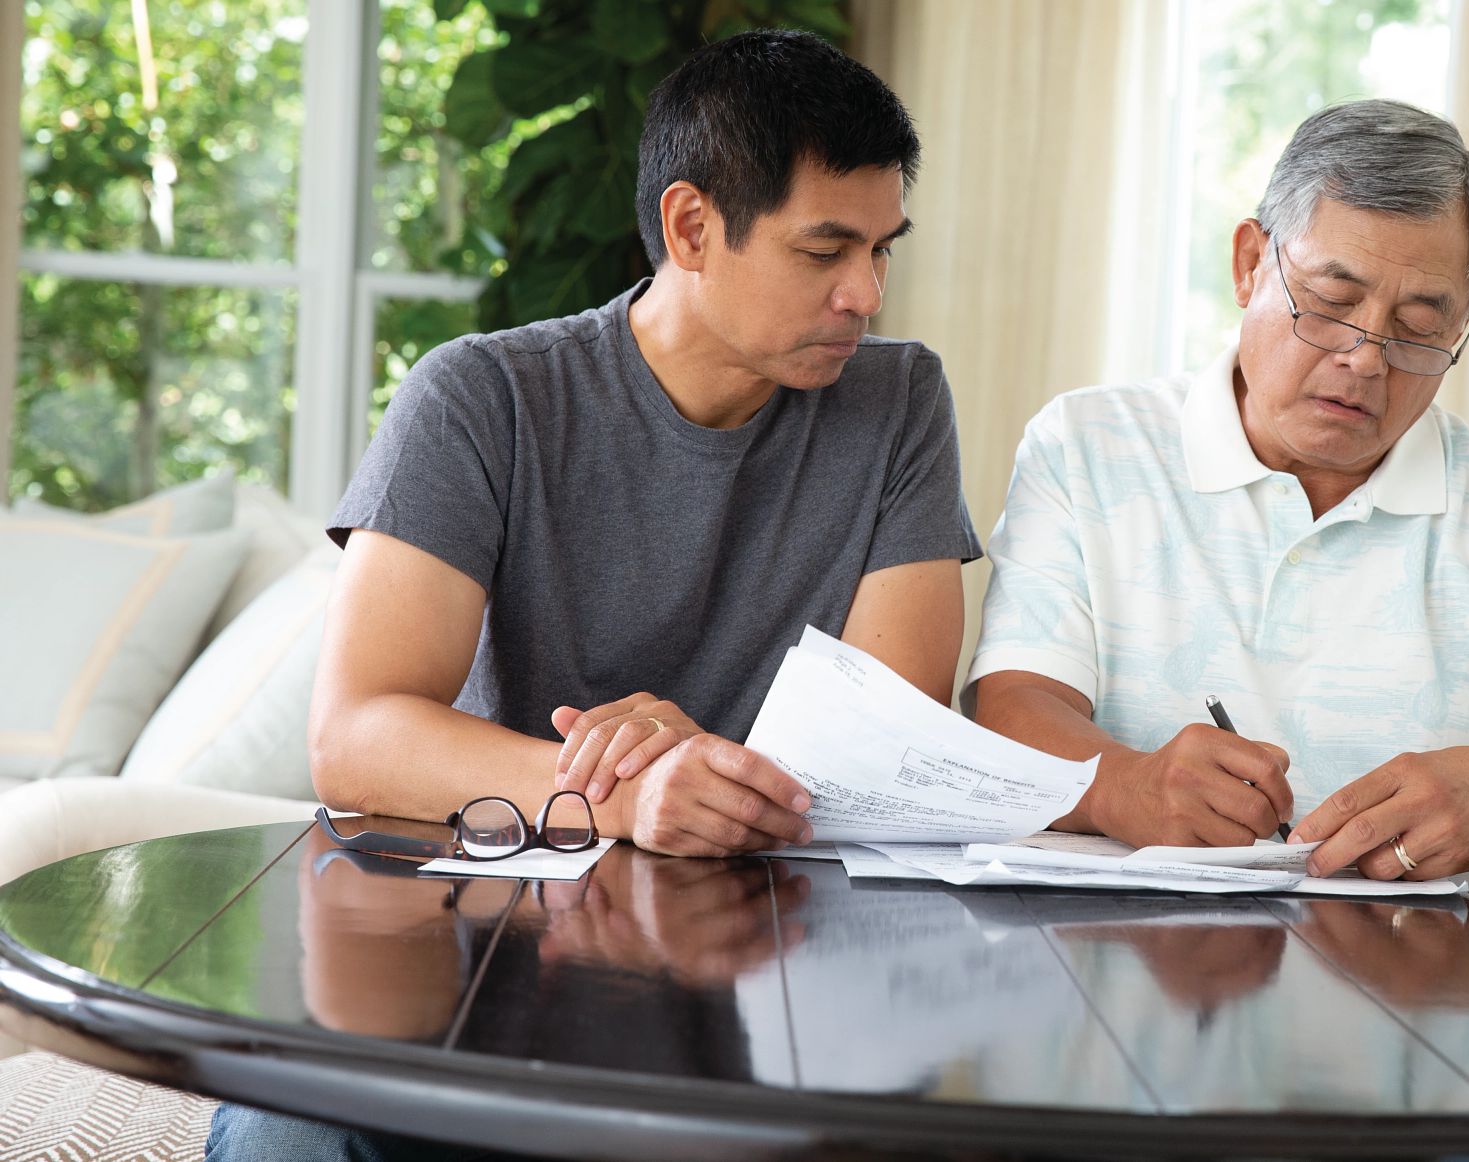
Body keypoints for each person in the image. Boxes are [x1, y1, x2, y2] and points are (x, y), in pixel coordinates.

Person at [208, 28, 977, 1161]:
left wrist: (692, 760)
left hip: (764, 987)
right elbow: (357, 733)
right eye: (824, 251)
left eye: (880, 250)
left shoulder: (898, 401)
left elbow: (893, 743)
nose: (863, 293)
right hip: (475, 967)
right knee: (290, 1133)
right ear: (690, 228)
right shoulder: (482, 398)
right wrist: (623, 792)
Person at [968, 99, 1469, 882]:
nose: (1365, 358)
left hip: (1412, 972)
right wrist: (1124, 785)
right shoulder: (1089, 445)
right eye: (1330, 304)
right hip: (1125, 957)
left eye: (1418, 325)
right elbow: (1013, 703)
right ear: (1247, 264)